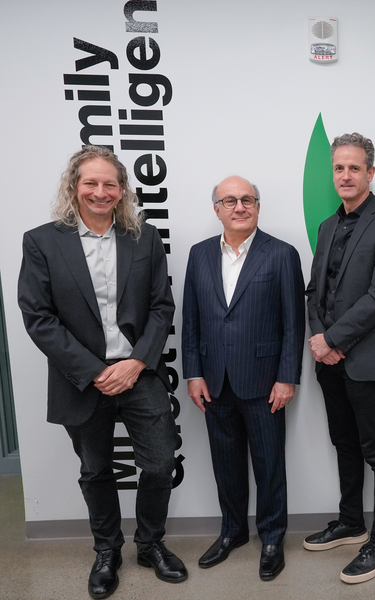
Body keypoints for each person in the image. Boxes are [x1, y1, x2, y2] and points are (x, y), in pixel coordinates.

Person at [18, 146, 185, 599]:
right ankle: (107, 551)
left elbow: (160, 307)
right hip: (81, 378)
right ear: (74, 186)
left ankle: (150, 544)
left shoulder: (143, 238)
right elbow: (38, 317)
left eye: (110, 183)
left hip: (139, 372)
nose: (100, 191)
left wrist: (135, 363)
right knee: (96, 470)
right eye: (90, 182)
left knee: (161, 463)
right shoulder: (42, 241)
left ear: (123, 190)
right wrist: (95, 371)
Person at [182, 176, 305, 581]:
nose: (240, 206)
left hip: (264, 381)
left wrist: (287, 377)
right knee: (225, 464)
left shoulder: (281, 254)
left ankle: (272, 538)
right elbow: (191, 321)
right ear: (216, 208)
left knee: (269, 464)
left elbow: (293, 323)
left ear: (257, 206)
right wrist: (193, 373)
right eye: (230, 200)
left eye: (248, 199)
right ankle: (232, 531)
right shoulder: (199, 255)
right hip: (214, 380)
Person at [304, 132, 375, 584]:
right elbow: (315, 290)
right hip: (327, 358)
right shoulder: (329, 226)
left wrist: (334, 339)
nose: (345, 175)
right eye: (338, 168)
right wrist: (317, 336)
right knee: (343, 443)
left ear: (370, 172)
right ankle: (351, 521)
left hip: (364, 357)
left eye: (354, 167)